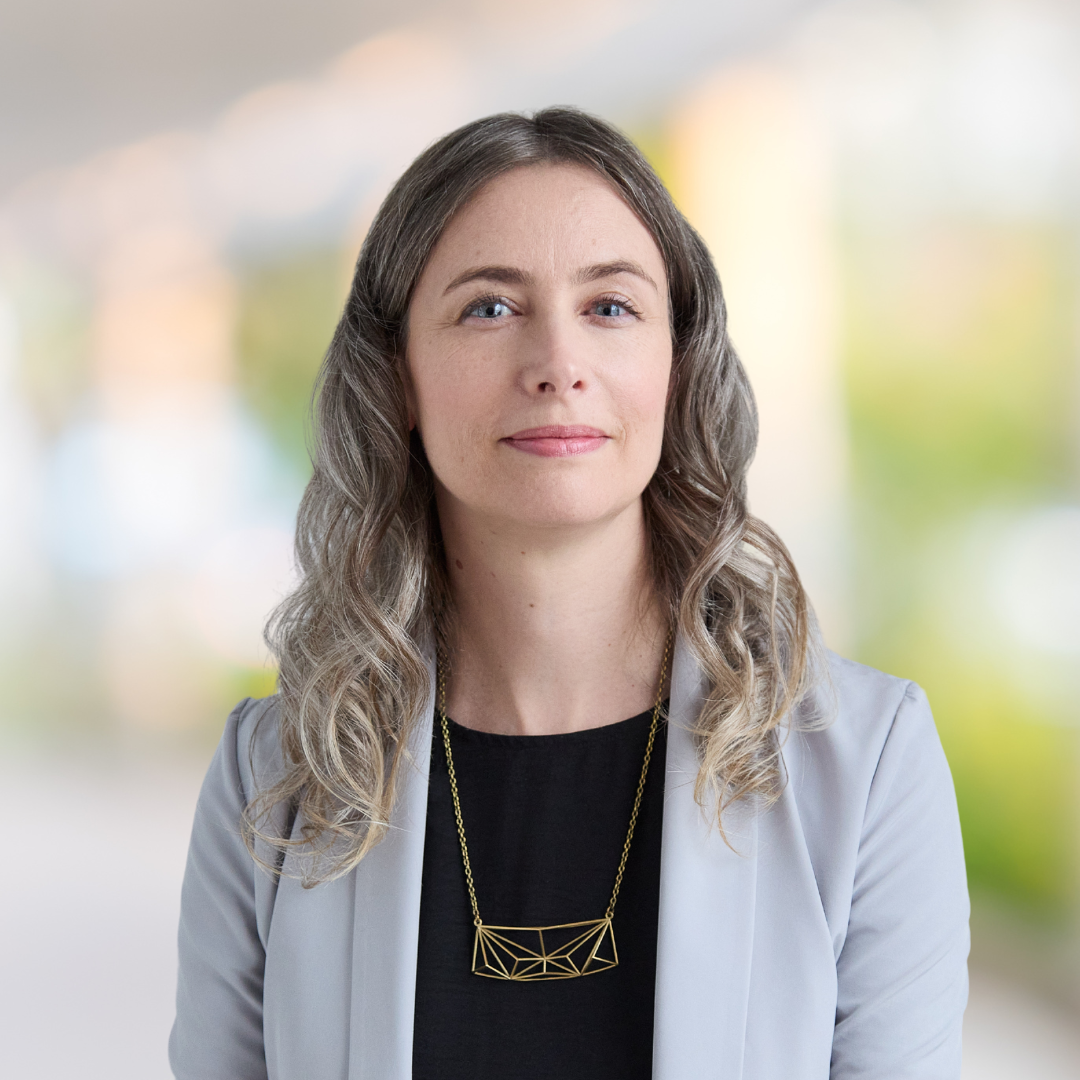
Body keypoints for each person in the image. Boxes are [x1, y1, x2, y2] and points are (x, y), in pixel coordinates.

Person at [169, 108, 969, 1080]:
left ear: (677, 365)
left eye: (611, 307)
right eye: (489, 308)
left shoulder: (869, 764)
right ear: (397, 377)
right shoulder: (274, 777)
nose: (557, 366)